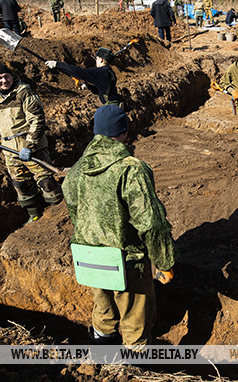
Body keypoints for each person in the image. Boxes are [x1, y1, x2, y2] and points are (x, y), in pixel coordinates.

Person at [62, 104, 175, 347]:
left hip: (89, 256)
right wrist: (165, 262)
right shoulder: (131, 169)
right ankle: (135, 368)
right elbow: (152, 224)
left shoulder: (77, 169)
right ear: (124, 133)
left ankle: (103, 364)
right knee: (135, 319)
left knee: (103, 312)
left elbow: (75, 212)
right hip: (126, 260)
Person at [0, 63, 63, 223]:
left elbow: (37, 121)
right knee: (21, 185)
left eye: (7, 76)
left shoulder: (25, 93)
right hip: (10, 152)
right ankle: (34, 215)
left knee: (46, 181)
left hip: (31, 149)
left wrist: (29, 146)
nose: (4, 80)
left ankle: (59, 214)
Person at [45, 47, 123, 107]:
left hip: (110, 107)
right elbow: (103, 89)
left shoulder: (100, 72)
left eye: (97, 58)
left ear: (101, 60)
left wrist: (57, 64)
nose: (96, 61)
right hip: (115, 104)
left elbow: (79, 71)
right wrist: (89, 86)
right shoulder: (109, 72)